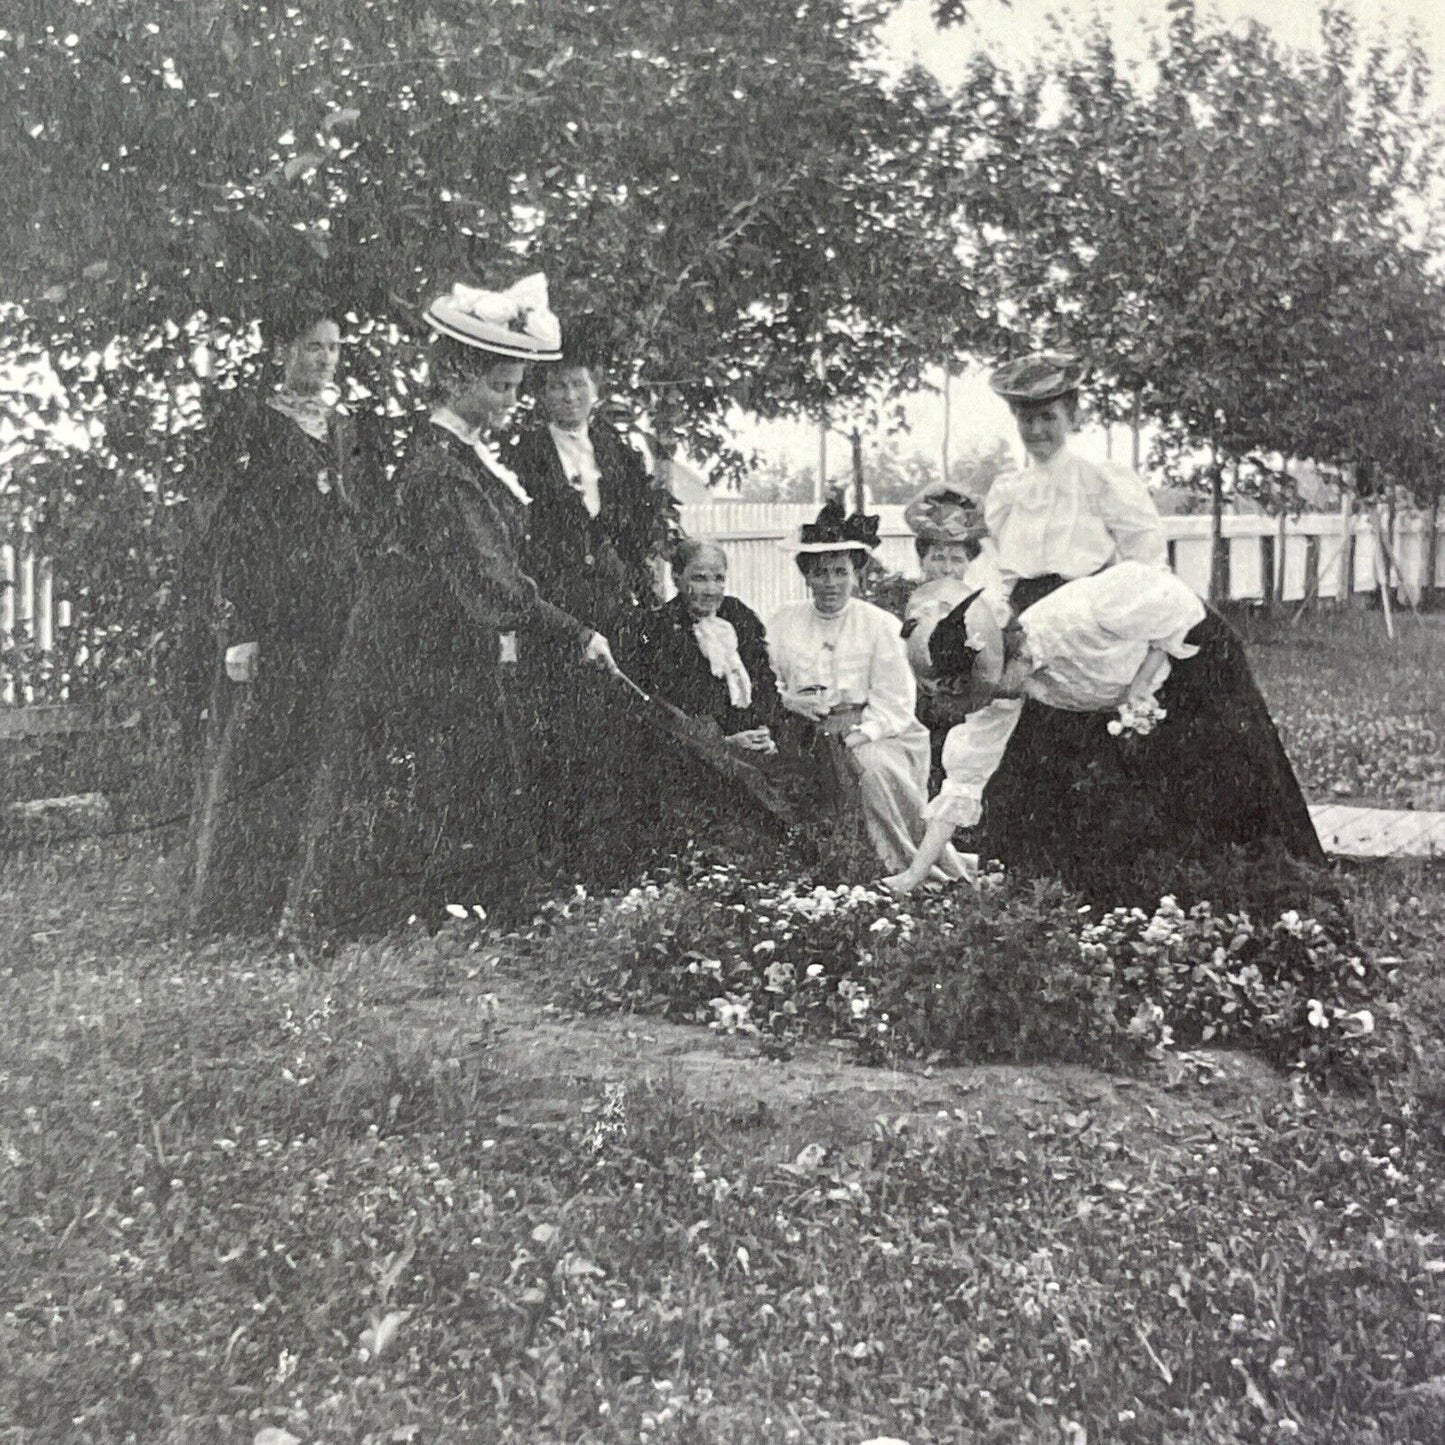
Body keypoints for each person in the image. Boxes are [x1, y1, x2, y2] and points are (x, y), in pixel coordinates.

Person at [282, 275, 617, 938]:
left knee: (470, 781)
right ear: (459, 379)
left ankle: (464, 915)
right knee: (413, 784)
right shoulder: (438, 468)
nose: (513, 402)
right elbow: (491, 580)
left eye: (517, 387)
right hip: (408, 656)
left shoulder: (462, 454)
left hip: (443, 650)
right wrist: (576, 632)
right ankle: (371, 922)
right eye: (502, 387)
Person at [882, 561, 1325, 895]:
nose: (997, 697)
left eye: (994, 686)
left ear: (1003, 651)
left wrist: (1137, 688)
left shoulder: (1078, 615)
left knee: (1240, 778)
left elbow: (1177, 610)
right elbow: (964, 782)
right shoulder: (1001, 691)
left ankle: (1288, 886)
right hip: (1146, 697)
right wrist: (913, 875)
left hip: (1201, 657)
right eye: (985, 694)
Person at [182, 293, 379, 933]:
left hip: (336, 614)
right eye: (312, 347)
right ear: (282, 353)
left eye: (333, 348)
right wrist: (240, 629)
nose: (324, 360)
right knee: (257, 759)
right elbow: (232, 532)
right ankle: (231, 910)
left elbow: (358, 521)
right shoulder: (252, 426)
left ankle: (308, 906)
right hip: (275, 619)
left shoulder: (344, 427)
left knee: (324, 755)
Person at [767, 499, 972, 882]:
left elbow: (895, 701)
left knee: (873, 770)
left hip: (875, 729)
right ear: (806, 576)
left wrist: (859, 734)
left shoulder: (878, 624)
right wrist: (790, 701)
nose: (830, 583)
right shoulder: (783, 620)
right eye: (820, 573)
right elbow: (766, 681)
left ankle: (905, 867)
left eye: (840, 572)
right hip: (800, 728)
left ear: (856, 575)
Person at [502, 316, 676, 635]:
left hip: (617, 611)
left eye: (578, 384)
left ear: (594, 388)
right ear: (543, 395)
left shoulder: (618, 452)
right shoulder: (523, 456)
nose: (570, 396)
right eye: (558, 386)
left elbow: (636, 532)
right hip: (555, 612)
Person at [985, 351, 1167, 612]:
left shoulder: (1101, 480)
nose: (1036, 430)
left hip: (1086, 620)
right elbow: (994, 568)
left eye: (1048, 417)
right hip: (1022, 619)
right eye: (1026, 419)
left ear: (1071, 417)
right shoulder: (1007, 492)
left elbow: (1147, 559)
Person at [628, 538, 785, 751]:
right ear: (676, 578)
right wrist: (723, 744)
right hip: (693, 755)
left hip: (755, 746)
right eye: (699, 578)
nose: (711, 590)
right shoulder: (658, 629)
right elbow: (665, 713)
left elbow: (764, 685)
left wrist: (766, 731)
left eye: (718, 579)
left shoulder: (739, 616)